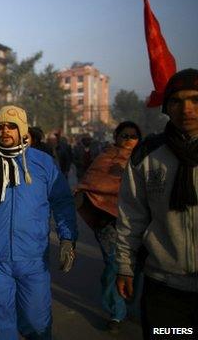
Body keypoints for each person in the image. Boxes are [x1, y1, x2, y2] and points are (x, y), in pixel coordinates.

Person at [0, 105, 78, 340]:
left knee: (37, 323)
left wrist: (67, 238)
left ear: (22, 130)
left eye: (11, 126)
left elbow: (63, 203)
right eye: (0, 126)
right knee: (0, 323)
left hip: (33, 259)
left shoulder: (43, 163)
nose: (5, 131)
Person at [115, 68, 198, 338]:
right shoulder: (148, 155)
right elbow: (132, 215)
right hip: (164, 286)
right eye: (177, 101)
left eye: (196, 100)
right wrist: (125, 266)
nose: (186, 109)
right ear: (166, 106)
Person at [75, 121, 142, 333]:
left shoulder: (146, 159)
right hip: (108, 222)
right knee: (114, 266)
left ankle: (126, 301)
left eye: (133, 136)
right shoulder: (105, 157)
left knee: (133, 267)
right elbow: (91, 183)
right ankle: (116, 313)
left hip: (137, 223)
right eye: (124, 135)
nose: (128, 139)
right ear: (116, 137)